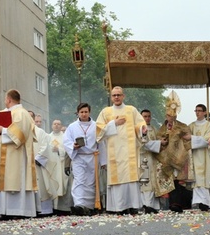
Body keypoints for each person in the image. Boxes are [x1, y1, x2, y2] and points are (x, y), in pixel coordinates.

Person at [0, 89, 38, 220]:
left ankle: (17, 210)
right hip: (4, 152)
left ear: (9, 99)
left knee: (15, 179)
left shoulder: (21, 113)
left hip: (16, 154)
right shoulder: (6, 113)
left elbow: (22, 133)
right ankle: (3, 210)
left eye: (5, 99)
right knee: (4, 180)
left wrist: (4, 130)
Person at [96, 86, 147, 215]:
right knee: (117, 179)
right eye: (114, 95)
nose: (117, 97)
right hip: (114, 153)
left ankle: (134, 206)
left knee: (131, 178)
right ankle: (119, 207)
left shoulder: (131, 110)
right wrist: (114, 123)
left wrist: (142, 129)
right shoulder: (105, 112)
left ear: (123, 96)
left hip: (129, 151)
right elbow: (99, 130)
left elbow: (139, 124)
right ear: (111, 97)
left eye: (119, 95)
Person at [64, 103, 106, 216]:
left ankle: (90, 206)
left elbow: (101, 143)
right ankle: (79, 204)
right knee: (79, 180)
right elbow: (66, 141)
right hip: (78, 156)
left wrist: (103, 161)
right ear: (78, 113)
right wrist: (73, 146)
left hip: (93, 157)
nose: (84, 114)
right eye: (81, 112)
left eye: (86, 112)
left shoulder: (96, 126)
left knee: (91, 182)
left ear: (89, 112)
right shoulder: (72, 127)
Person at [154, 91, 192, 213]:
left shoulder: (183, 126)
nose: (170, 118)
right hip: (166, 158)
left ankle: (180, 204)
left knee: (179, 181)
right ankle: (172, 204)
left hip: (180, 157)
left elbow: (188, 140)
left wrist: (177, 135)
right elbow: (158, 139)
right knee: (170, 180)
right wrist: (163, 140)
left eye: (173, 116)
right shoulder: (162, 128)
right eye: (168, 116)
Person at [30, 112, 56, 217]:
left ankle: (43, 209)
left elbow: (45, 147)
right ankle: (30, 209)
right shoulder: (22, 131)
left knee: (41, 186)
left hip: (37, 164)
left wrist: (37, 158)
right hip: (25, 165)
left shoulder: (40, 132)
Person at [188, 104, 210, 211]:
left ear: (205, 112)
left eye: (199, 110)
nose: (197, 113)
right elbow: (186, 139)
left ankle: (205, 202)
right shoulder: (191, 126)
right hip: (194, 155)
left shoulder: (209, 125)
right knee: (196, 180)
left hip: (204, 154)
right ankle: (197, 202)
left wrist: (192, 138)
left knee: (204, 179)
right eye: (196, 110)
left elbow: (207, 139)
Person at [139, 109, 161, 213]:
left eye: (148, 116)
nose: (147, 118)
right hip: (142, 158)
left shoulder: (153, 129)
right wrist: (159, 143)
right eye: (145, 116)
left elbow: (158, 142)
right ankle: (146, 204)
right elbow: (144, 144)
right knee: (144, 183)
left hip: (152, 158)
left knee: (153, 182)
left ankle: (153, 205)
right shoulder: (138, 129)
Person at [49, 119, 73, 214]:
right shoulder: (48, 137)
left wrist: (59, 149)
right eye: (54, 124)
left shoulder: (65, 137)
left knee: (63, 185)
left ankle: (63, 208)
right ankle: (52, 207)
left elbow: (68, 150)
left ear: (61, 125)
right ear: (52, 125)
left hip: (62, 165)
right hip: (51, 166)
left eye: (58, 124)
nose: (56, 126)